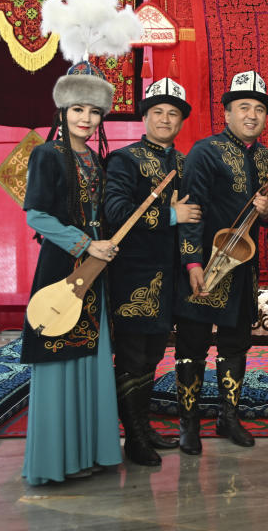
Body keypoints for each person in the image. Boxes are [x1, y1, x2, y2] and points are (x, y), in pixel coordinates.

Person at [20, 61, 122, 485]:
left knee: (91, 354)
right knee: (58, 356)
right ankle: (54, 461)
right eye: (78, 108)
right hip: (62, 268)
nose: (86, 118)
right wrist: (84, 243)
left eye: (94, 111)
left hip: (97, 270)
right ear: (62, 110)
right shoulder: (47, 154)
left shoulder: (98, 160)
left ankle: (89, 454)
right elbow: (36, 216)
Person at [174, 70, 268, 454]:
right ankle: (188, 423)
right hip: (203, 266)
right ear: (228, 112)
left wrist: (267, 212)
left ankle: (228, 417)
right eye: (243, 107)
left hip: (242, 269)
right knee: (192, 344)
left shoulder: (265, 157)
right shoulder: (206, 151)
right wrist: (192, 264)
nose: (252, 115)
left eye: (259, 109)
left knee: (235, 345)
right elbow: (190, 211)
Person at [105, 77, 199, 466]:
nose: (164, 119)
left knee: (154, 355)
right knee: (132, 356)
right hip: (133, 275)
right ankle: (134, 438)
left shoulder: (183, 162)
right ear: (145, 117)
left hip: (170, 277)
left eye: (172, 113)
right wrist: (171, 215)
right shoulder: (124, 160)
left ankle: (142, 426)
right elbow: (114, 213)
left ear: (180, 121)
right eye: (157, 112)